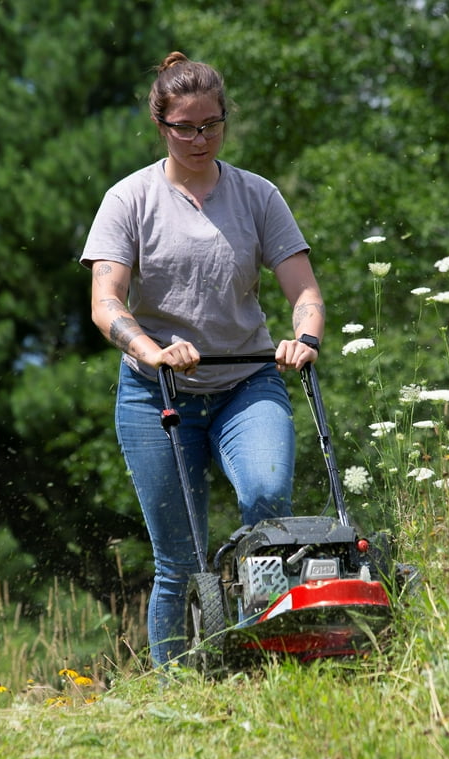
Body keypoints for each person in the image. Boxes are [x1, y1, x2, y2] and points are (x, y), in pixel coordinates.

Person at [80, 51, 325, 666]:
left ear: (224, 120)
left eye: (210, 125)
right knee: (181, 556)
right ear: (162, 125)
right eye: (184, 127)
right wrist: (152, 350)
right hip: (154, 392)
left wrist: (305, 340)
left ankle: (256, 657)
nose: (199, 138)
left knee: (267, 507)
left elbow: (306, 293)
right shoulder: (128, 199)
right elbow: (105, 302)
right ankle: (172, 689)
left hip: (247, 381)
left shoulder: (257, 196)